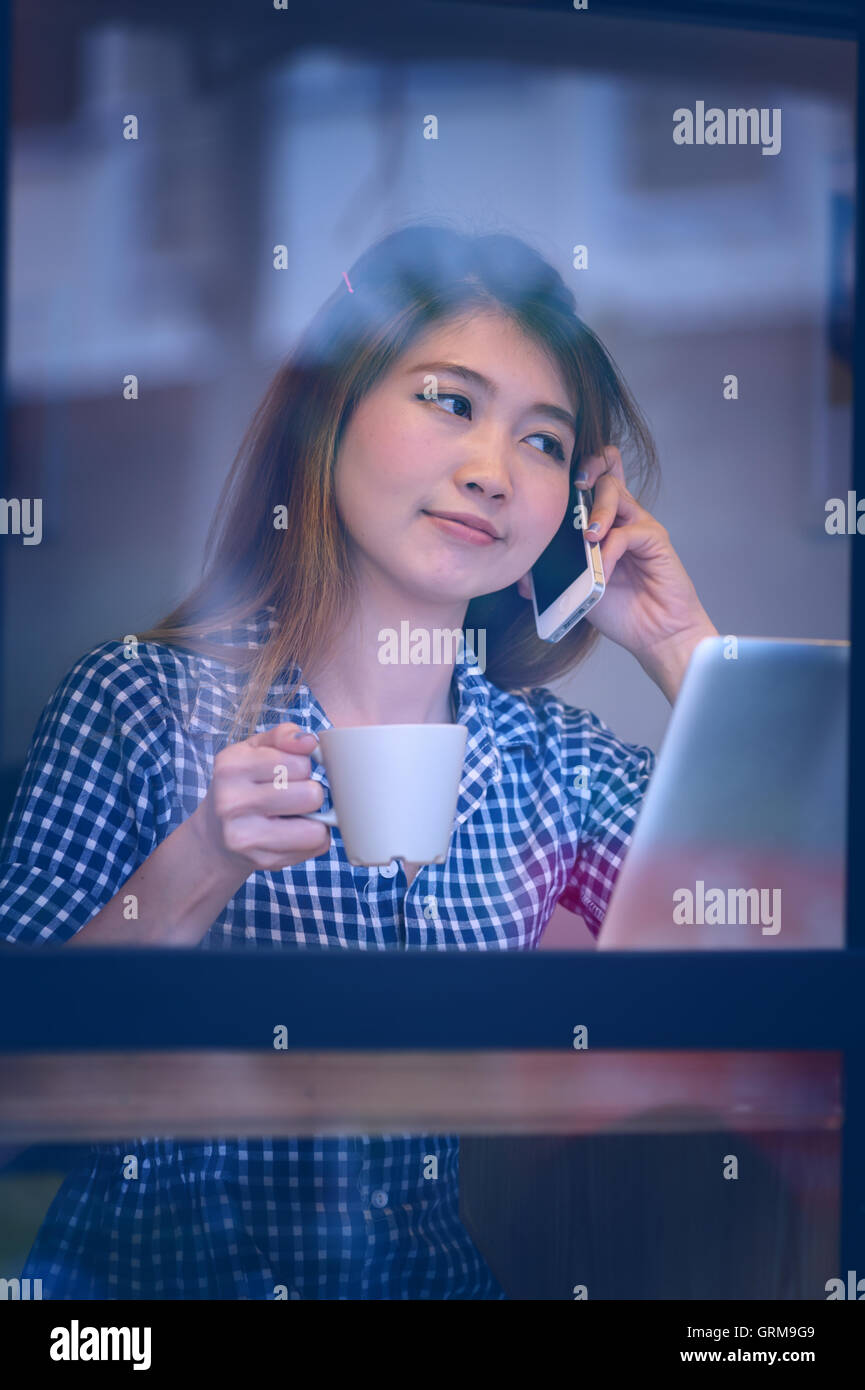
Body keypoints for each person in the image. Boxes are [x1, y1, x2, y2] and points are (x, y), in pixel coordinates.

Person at [0, 222, 718, 1299]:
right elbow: (11, 1109)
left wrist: (681, 649)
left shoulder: (544, 762)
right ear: (329, 417)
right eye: (450, 401)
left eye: (542, 441)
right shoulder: (140, 703)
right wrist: (199, 861)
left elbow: (779, 932)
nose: (490, 472)